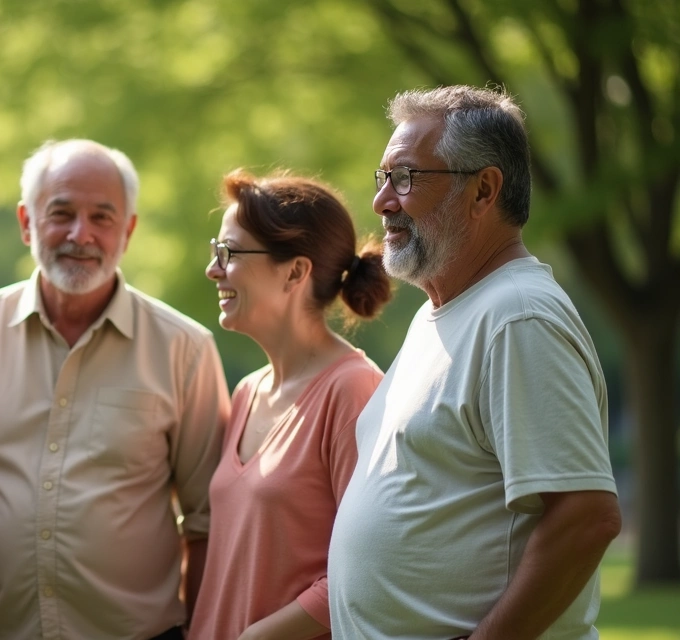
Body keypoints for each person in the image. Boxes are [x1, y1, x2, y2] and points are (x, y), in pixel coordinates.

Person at [328, 85, 622, 640]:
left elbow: (586, 516)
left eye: (407, 177)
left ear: (484, 189)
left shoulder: (517, 316)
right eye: (383, 178)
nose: (382, 201)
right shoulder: (442, 314)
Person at [0, 138, 229, 640]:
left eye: (102, 217)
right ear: (26, 223)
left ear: (127, 230)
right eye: (60, 213)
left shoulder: (185, 349)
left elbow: (206, 522)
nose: (80, 234)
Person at [189, 171, 391, 640]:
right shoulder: (247, 391)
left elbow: (374, 566)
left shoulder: (354, 391)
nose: (213, 269)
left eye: (230, 253)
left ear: (296, 271)